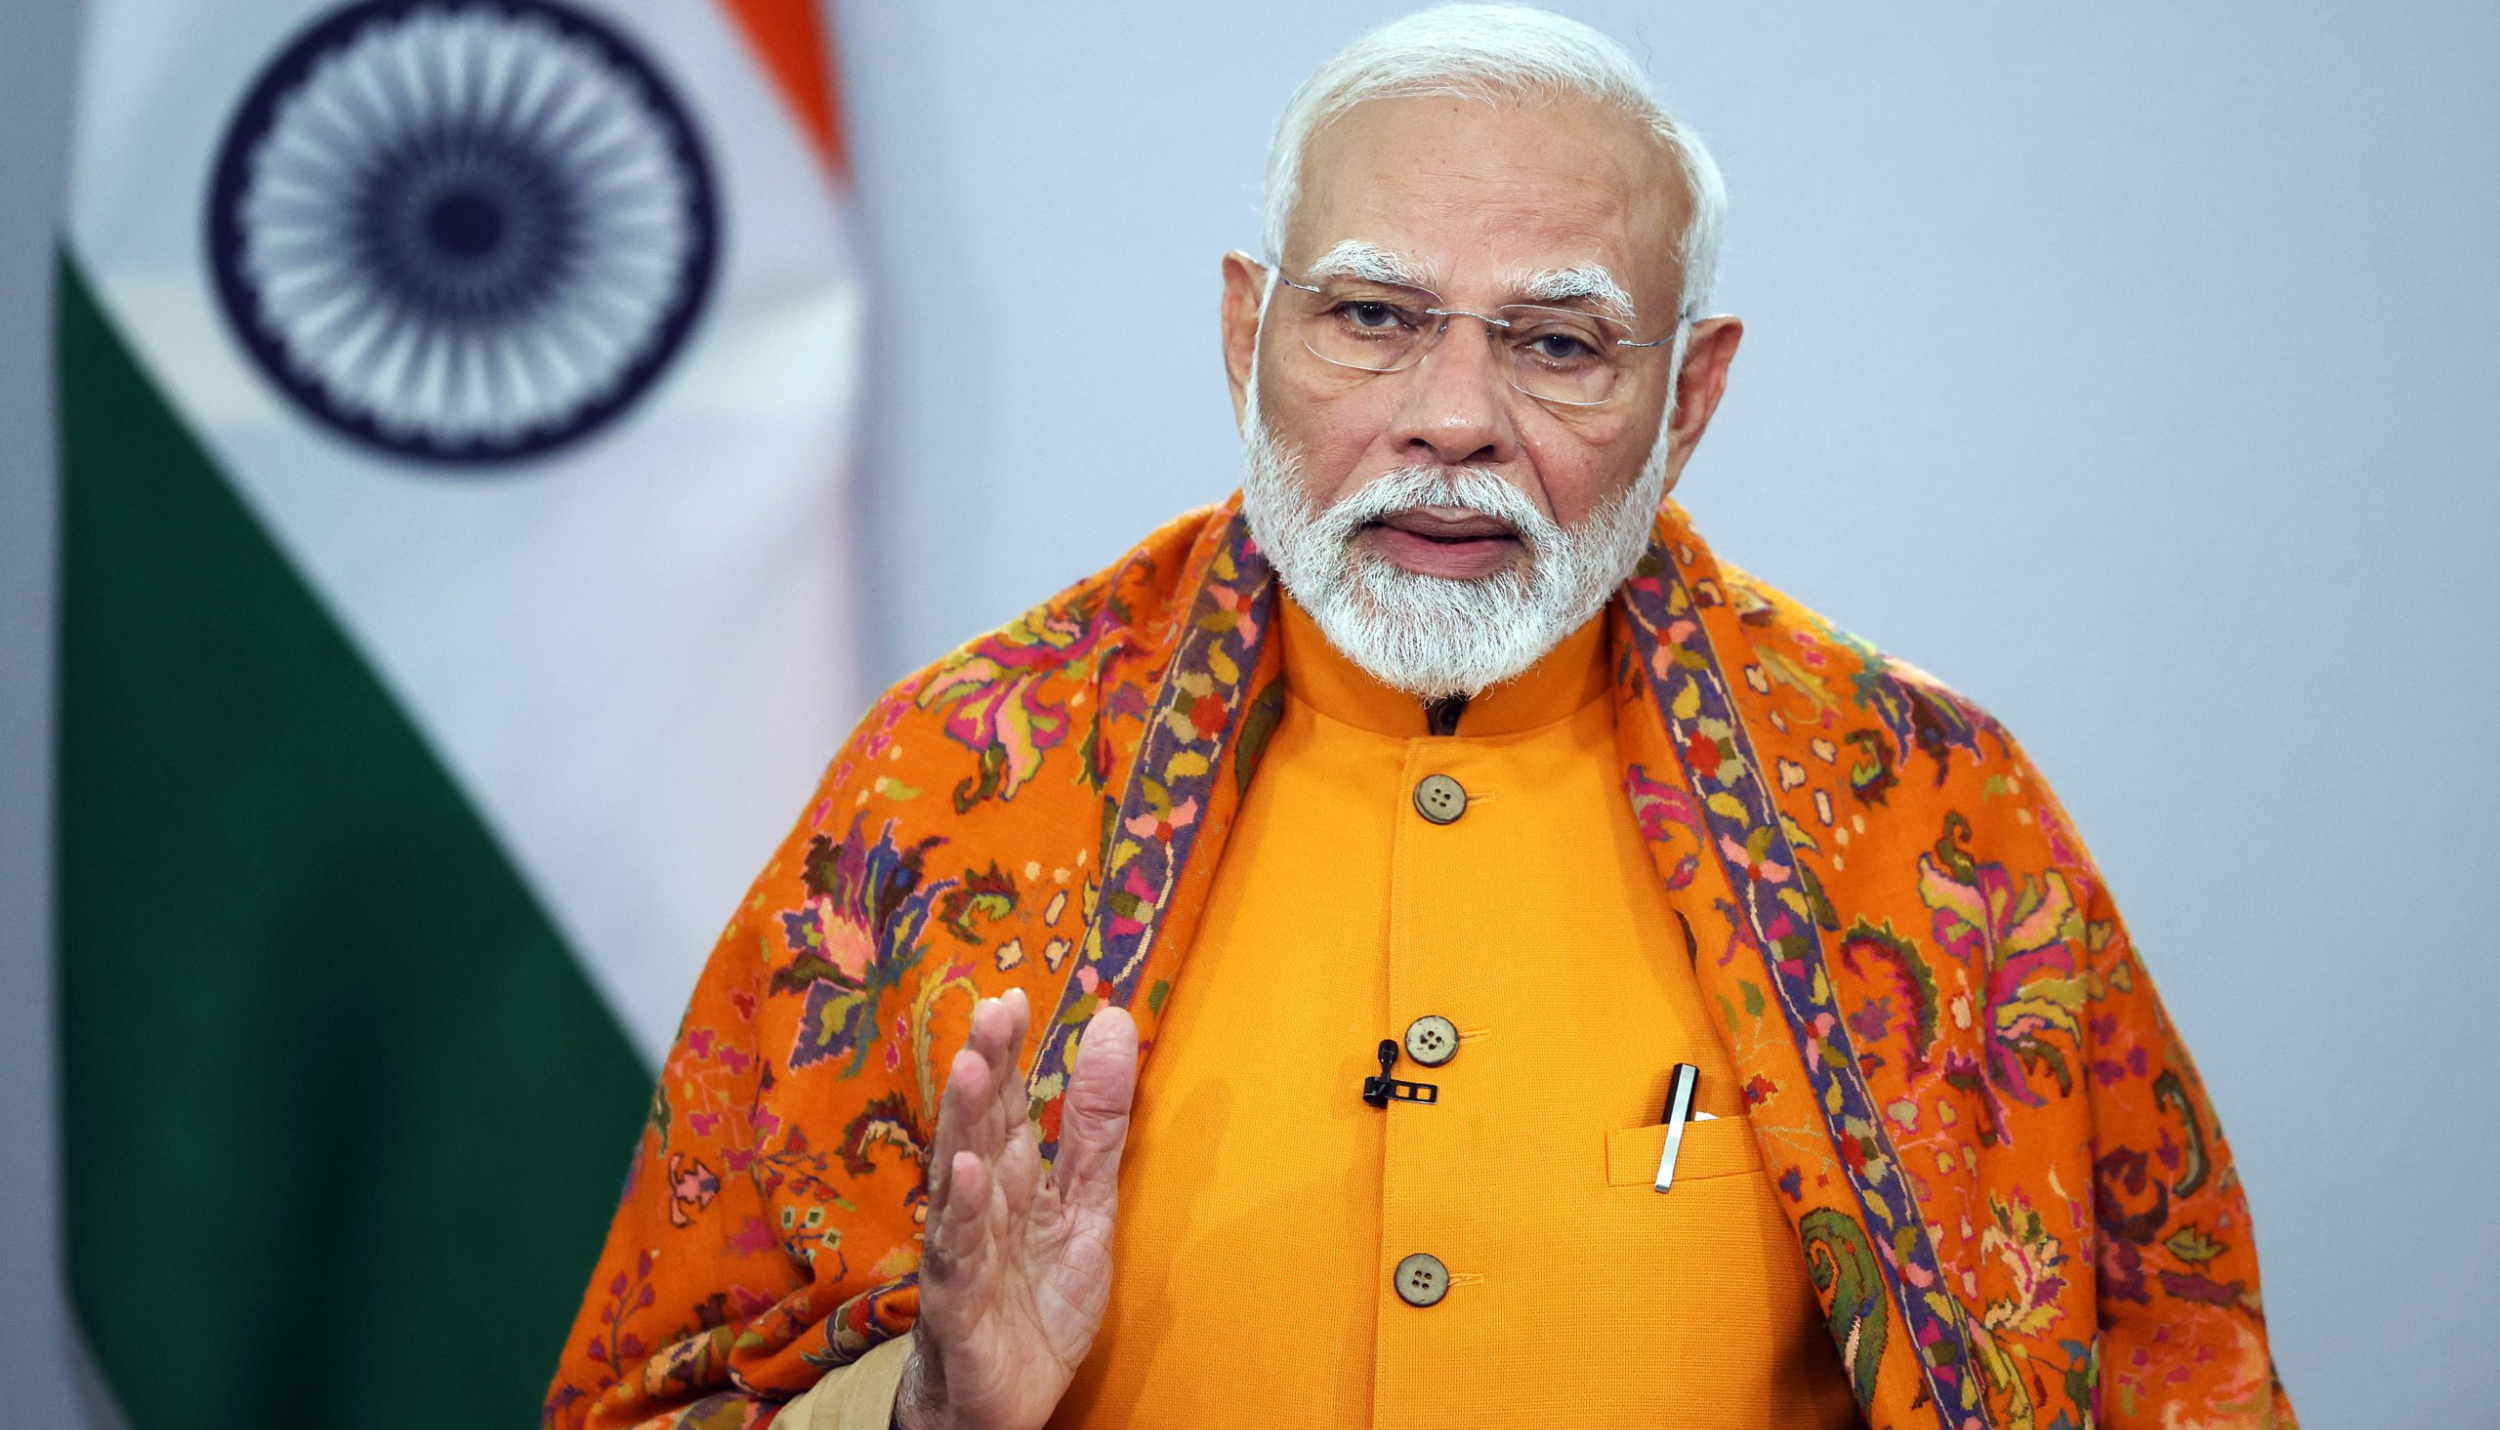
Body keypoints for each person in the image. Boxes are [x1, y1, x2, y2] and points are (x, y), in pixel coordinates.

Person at [544, 7, 2295, 1428]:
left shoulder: (1931, 823)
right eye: (1372, 318)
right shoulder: (949, 785)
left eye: (1557, 344)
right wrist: (922, 1420)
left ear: (1689, 396)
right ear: (1247, 334)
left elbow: (2172, 1376)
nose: (1452, 417)